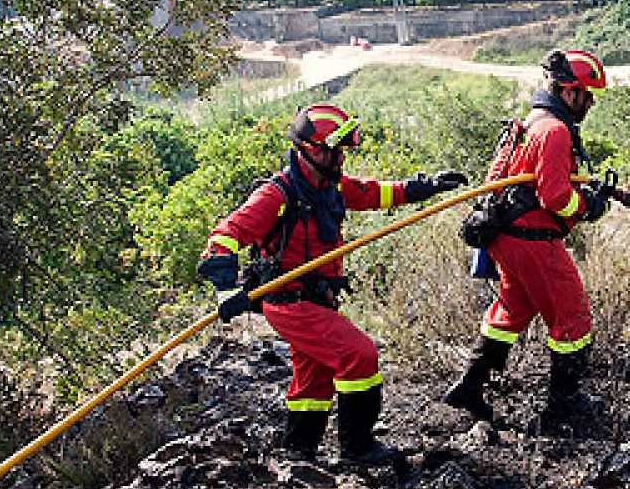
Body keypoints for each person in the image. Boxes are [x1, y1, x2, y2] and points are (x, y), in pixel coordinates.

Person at [197, 103, 466, 464]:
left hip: (318, 299)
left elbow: (374, 193)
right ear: (312, 150)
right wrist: (227, 290)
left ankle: (298, 452)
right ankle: (357, 448)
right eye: (335, 151)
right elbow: (225, 236)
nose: (341, 158)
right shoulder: (277, 195)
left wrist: (424, 187)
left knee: (314, 380)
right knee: (360, 355)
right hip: (289, 301)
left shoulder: (330, 187)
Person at [442, 49, 612, 427]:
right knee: (572, 316)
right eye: (588, 95)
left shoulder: (528, 124)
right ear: (570, 92)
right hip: (534, 240)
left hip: (508, 240)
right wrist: (588, 206)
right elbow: (555, 197)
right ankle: (562, 406)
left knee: (511, 311)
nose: (591, 103)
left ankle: (470, 385)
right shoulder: (553, 131)